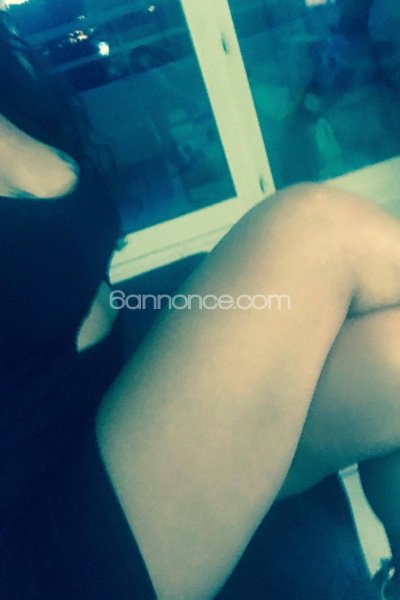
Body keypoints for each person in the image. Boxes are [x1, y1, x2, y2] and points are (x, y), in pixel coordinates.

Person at [2, 13, 400, 600]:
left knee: (391, 358)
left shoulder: (11, 82)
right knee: (313, 230)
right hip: (40, 531)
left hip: (114, 414)